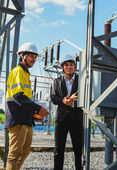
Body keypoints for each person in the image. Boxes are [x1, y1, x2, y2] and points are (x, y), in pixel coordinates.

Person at [5, 42, 49, 170]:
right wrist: (39, 109)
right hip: (17, 120)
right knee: (15, 154)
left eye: (35, 57)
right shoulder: (18, 71)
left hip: (25, 120)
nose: (34, 60)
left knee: (25, 152)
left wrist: (34, 115)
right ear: (23, 56)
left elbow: (26, 101)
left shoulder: (26, 74)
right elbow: (18, 97)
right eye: (32, 56)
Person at [51, 54, 83, 170]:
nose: (69, 67)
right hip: (61, 119)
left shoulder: (81, 80)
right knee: (58, 150)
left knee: (78, 150)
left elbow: (85, 96)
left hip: (77, 119)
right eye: (67, 65)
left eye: (72, 65)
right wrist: (64, 100)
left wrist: (73, 102)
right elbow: (53, 98)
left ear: (75, 66)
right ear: (62, 67)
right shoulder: (57, 81)